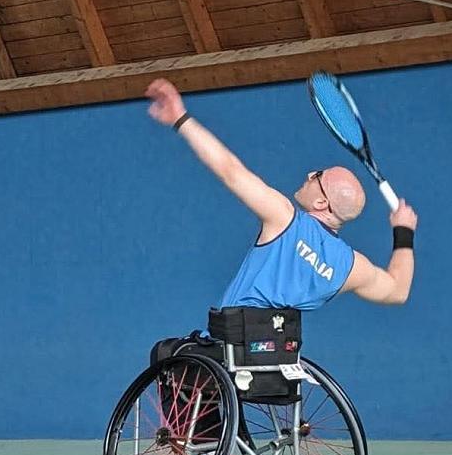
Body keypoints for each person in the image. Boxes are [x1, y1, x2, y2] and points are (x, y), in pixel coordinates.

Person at [145, 78, 417, 311]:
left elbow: (231, 170)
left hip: (228, 351)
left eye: (318, 176)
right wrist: (403, 231)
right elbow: (397, 290)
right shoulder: (350, 267)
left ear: (322, 203)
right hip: (278, 362)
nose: (310, 173)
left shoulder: (285, 219)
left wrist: (180, 118)